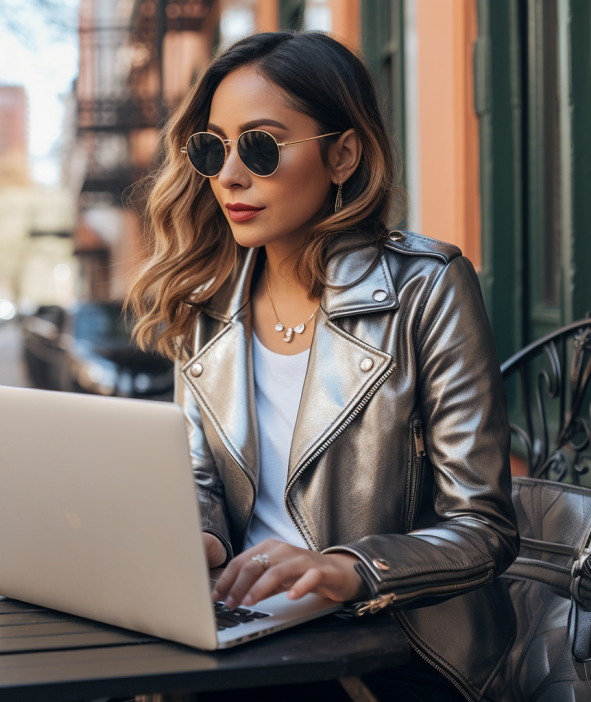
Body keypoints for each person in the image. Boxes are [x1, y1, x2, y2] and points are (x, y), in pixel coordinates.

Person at [126, 31, 518, 702]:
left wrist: (346, 568)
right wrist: (201, 539)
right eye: (213, 148)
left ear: (342, 154)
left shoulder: (427, 286)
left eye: (260, 146)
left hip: (396, 641)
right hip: (248, 621)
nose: (230, 176)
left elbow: (484, 528)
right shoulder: (207, 304)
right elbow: (200, 478)